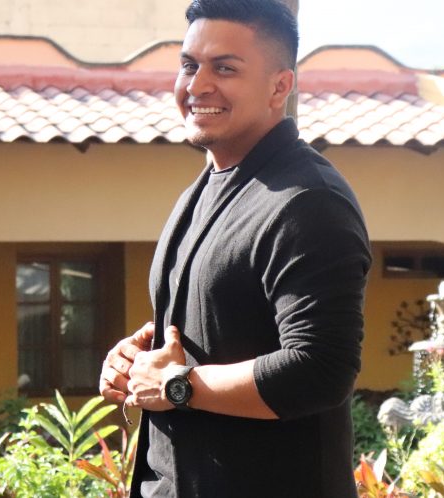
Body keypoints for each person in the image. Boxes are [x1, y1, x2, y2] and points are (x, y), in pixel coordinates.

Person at [98, 0, 371, 496]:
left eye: (225, 68)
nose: (197, 85)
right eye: (189, 65)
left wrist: (178, 385)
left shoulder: (307, 200)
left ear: (279, 86)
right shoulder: (207, 187)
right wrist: (138, 358)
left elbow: (321, 369)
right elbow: (215, 324)